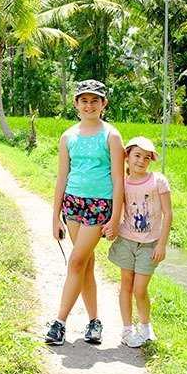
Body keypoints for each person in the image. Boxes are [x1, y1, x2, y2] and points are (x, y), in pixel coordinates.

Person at [46, 79, 124, 346]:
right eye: (84, 100)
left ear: (104, 104)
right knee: (86, 265)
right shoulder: (68, 137)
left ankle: (59, 322)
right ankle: (94, 322)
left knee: (76, 261)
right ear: (76, 104)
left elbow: (118, 179)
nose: (89, 105)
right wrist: (55, 215)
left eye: (95, 100)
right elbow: (61, 177)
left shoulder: (111, 136)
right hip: (72, 205)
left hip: (99, 206)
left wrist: (116, 218)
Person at [108, 136, 172, 347]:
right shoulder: (121, 183)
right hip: (126, 239)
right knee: (126, 284)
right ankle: (127, 329)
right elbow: (118, 209)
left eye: (146, 157)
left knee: (139, 289)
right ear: (127, 157)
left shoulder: (158, 181)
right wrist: (112, 226)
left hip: (150, 244)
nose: (141, 161)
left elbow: (168, 214)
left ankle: (145, 326)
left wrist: (162, 244)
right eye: (137, 155)